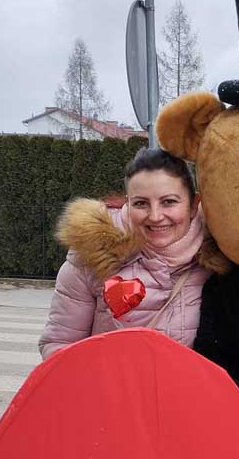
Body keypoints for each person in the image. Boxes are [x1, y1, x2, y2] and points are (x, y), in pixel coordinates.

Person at [39, 148, 208, 359]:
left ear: (193, 205)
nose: (155, 216)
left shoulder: (216, 260)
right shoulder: (93, 256)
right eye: (141, 203)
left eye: (169, 202)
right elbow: (58, 346)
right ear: (128, 203)